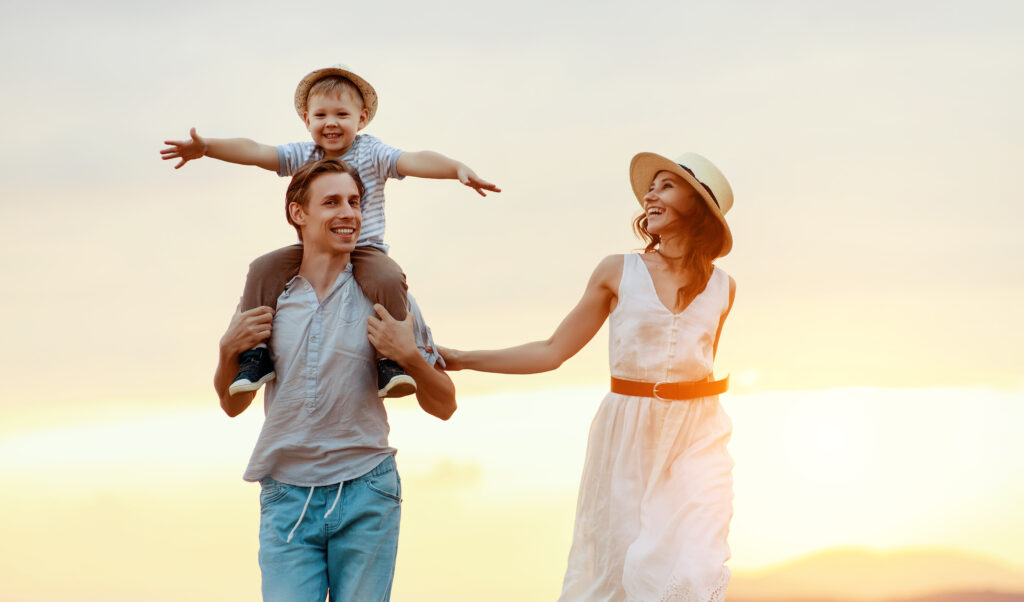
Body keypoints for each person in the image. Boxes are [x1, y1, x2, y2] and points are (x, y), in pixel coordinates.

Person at [442, 151, 737, 601]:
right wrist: (462, 357)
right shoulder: (618, 271)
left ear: (698, 206)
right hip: (627, 436)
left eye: (666, 186)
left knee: (696, 565)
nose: (649, 196)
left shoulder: (724, 287)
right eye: (650, 188)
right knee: (619, 573)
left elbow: (697, 365)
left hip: (699, 434)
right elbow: (551, 351)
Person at [165, 63, 499, 399]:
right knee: (262, 268)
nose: (331, 123)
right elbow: (255, 152)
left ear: (362, 119)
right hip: (315, 250)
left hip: (364, 248)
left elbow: (414, 159)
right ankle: (255, 355)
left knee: (387, 276)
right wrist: (207, 147)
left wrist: (455, 169)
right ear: (308, 121)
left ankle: (390, 360)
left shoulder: (372, 152)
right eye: (321, 115)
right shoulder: (303, 154)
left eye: (342, 114)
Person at [214, 157, 456, 602]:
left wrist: (410, 359)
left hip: (367, 490)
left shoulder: (387, 295)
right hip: (287, 498)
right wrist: (228, 350)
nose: (348, 213)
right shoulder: (269, 297)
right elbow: (231, 405)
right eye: (332, 202)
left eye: (354, 202)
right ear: (298, 214)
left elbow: (445, 405)